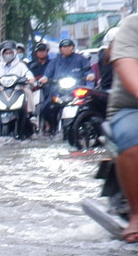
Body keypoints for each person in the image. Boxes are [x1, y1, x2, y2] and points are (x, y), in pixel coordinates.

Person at [99, 14, 138, 241]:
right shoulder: (133, 25)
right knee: (135, 141)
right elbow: (127, 67)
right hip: (131, 108)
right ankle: (136, 215)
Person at [43, 37, 92, 133]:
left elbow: (89, 70)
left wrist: (90, 75)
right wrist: (44, 79)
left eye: (69, 46)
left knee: (88, 105)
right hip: (58, 91)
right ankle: (52, 127)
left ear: (73, 47)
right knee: (46, 107)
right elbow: (47, 75)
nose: (66, 48)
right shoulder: (55, 62)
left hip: (76, 91)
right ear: (60, 49)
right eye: (64, 47)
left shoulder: (80, 59)